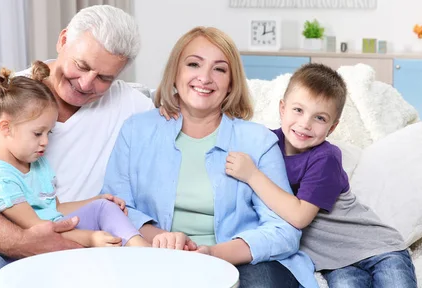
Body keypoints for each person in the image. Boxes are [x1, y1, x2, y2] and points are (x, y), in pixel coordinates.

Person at [0, 5, 154, 287]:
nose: (85, 83)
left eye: (105, 78)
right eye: (81, 65)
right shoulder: (4, 98)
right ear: (63, 40)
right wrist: (23, 242)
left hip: (73, 243)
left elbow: (185, 129)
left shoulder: (134, 107)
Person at [101, 27, 318, 288]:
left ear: (231, 84)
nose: (205, 78)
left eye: (219, 69)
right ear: (175, 73)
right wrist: (163, 239)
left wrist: (213, 254)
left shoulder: (257, 141)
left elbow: (284, 231)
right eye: (194, 64)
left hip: (241, 261)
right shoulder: (136, 130)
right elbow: (114, 209)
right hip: (155, 254)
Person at [225, 63, 418, 288]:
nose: (305, 124)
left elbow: (299, 217)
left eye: (320, 118)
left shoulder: (325, 158)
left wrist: (252, 175)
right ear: (282, 109)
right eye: (298, 110)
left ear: (332, 128)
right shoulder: (266, 143)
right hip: (335, 263)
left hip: (377, 248)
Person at [0, 62, 149, 249]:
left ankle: (140, 248)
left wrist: (97, 200)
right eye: (38, 133)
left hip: (57, 229)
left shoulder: (36, 163)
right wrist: (89, 238)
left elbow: (55, 208)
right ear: (6, 128)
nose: (45, 142)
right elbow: (37, 227)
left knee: (104, 207)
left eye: (49, 133)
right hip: (30, 244)